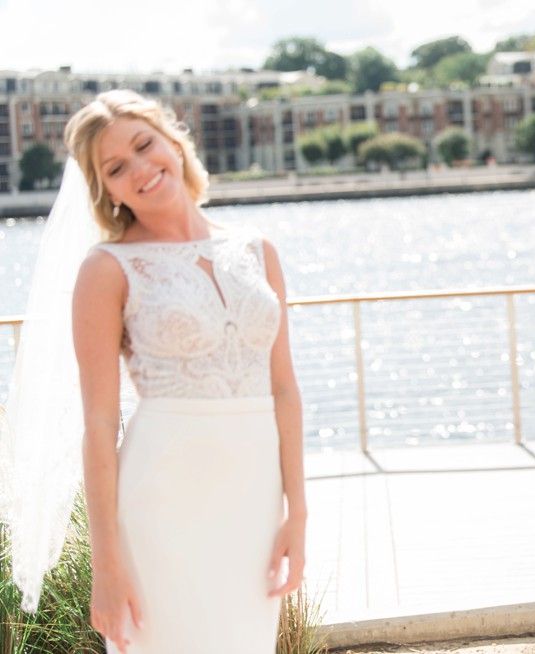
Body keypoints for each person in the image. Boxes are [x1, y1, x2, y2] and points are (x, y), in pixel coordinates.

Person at [51, 89, 304, 653]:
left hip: (254, 505)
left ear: (172, 138)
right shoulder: (107, 268)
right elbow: (98, 422)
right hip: (159, 505)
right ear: (105, 189)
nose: (141, 169)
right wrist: (107, 566)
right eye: (117, 167)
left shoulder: (257, 249)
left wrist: (298, 515)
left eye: (145, 145)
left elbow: (285, 388)